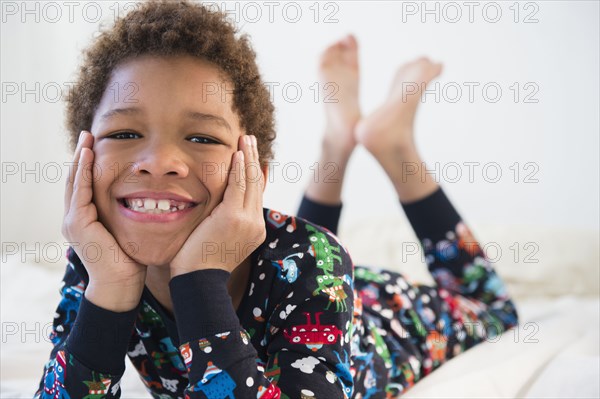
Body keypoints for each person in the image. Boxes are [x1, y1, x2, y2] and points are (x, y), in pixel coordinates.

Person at [35, 1, 519, 398]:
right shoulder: (97, 261)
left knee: (495, 311)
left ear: (253, 176)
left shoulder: (314, 259)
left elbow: (305, 263)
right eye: (124, 131)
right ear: (84, 159)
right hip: (306, 283)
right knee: (295, 264)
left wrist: (199, 282)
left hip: (383, 314)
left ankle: (393, 146)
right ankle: (336, 142)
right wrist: (110, 294)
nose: (159, 161)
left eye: (202, 139)